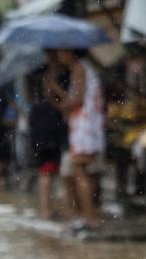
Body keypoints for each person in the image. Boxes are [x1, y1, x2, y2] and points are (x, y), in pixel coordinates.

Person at [46, 48, 104, 231]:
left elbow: (77, 100)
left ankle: (90, 217)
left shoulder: (79, 68)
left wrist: (55, 91)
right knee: (81, 172)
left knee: (79, 171)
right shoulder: (84, 68)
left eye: (63, 52)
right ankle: (88, 215)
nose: (60, 55)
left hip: (84, 127)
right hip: (87, 126)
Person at [29, 59, 68, 221]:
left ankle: (49, 210)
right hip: (49, 133)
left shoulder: (43, 79)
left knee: (48, 174)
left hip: (44, 134)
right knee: (49, 174)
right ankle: (49, 210)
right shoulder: (53, 81)